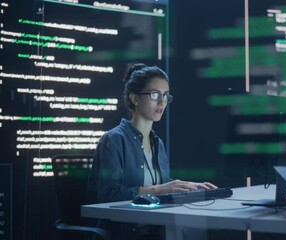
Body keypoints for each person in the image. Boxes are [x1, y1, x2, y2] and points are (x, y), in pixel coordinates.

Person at [87, 63, 216, 239]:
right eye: (155, 94)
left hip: (156, 230)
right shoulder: (114, 139)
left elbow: (158, 184)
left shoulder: (158, 143)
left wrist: (189, 187)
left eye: (165, 96)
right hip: (127, 233)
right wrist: (159, 189)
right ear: (134, 98)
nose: (162, 102)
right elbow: (109, 195)